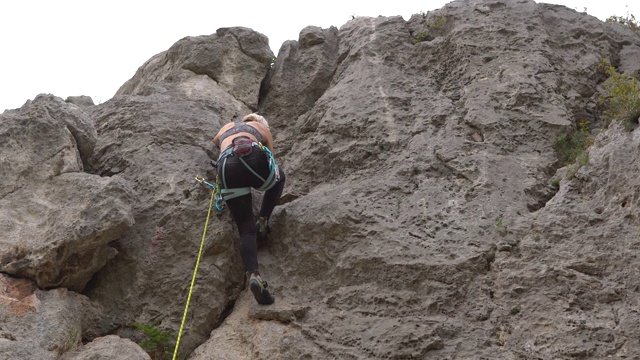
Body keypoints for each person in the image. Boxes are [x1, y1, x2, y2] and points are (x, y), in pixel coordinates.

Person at [213, 113, 285, 305]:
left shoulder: (227, 127)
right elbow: (271, 160)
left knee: (245, 228)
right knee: (280, 176)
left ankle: (254, 275)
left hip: (227, 165)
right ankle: (263, 219)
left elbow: (215, 141)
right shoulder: (262, 129)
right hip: (253, 156)